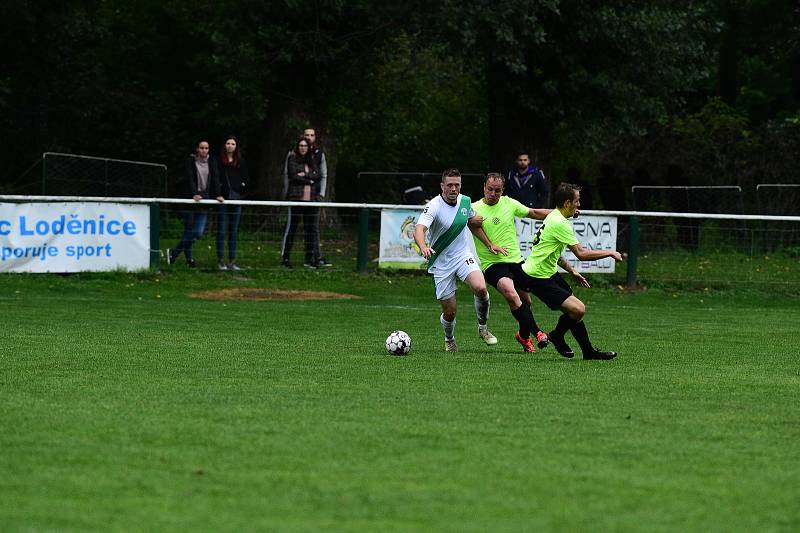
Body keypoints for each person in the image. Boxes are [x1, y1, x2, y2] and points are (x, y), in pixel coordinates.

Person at [513, 182, 623, 360]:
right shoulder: (560, 223)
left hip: (548, 273)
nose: (579, 205)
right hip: (538, 278)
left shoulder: (554, 216)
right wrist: (609, 252)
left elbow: (552, 252)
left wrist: (572, 271)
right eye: (577, 201)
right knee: (578, 309)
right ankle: (557, 336)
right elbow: (581, 254)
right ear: (566, 203)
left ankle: (588, 352)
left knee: (574, 312)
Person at [414, 168, 507, 352]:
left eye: (457, 185)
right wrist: (423, 246)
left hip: (462, 255)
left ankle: (483, 328)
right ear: (442, 186)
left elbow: (473, 223)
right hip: (440, 262)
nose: (453, 188)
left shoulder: (465, 202)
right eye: (449, 185)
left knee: (481, 288)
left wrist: (489, 244)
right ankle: (449, 339)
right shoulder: (434, 206)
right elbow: (419, 228)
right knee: (450, 312)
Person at [470, 172, 556, 352]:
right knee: (510, 294)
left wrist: (560, 214)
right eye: (490, 189)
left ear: (503, 191)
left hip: (516, 261)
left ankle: (523, 337)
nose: (493, 194)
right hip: (493, 264)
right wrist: (490, 245)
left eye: (497, 191)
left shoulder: (509, 203)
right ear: (484, 187)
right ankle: (539, 333)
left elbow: (533, 212)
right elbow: (469, 224)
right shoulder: (474, 208)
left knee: (527, 303)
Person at [168, 140, 224, 268]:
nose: (204, 150)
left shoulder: (212, 162)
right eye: (202, 148)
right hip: (191, 200)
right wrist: (194, 194)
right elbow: (190, 179)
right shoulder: (190, 162)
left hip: (204, 201)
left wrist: (218, 194)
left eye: (206, 148)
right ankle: (189, 260)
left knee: (197, 233)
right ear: (197, 149)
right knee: (188, 231)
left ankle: (174, 253)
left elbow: (215, 179)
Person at [281, 128, 331, 268]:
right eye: (301, 145)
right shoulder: (292, 157)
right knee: (293, 227)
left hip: (312, 199)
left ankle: (311, 258)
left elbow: (319, 175)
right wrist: (308, 180)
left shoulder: (315, 157)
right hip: (296, 198)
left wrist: (305, 176)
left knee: (311, 229)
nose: (303, 147)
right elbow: (291, 175)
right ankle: (285, 257)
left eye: (305, 145)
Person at [217, 135, 248, 271]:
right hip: (222, 200)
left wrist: (240, 186)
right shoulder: (218, 161)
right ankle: (220, 260)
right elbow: (215, 178)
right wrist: (219, 192)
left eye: (233, 144)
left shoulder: (241, 162)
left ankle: (232, 261)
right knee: (222, 231)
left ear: (236, 147)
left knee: (233, 231)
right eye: (228, 143)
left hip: (236, 199)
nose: (230, 146)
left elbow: (246, 179)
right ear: (224, 145)